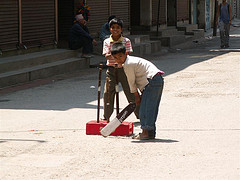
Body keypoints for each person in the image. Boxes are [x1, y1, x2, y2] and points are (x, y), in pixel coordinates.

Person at [111, 42, 164, 140]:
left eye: (120, 56)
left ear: (126, 54)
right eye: (116, 58)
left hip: (152, 81)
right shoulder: (130, 61)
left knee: (145, 109)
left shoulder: (128, 63)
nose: (118, 59)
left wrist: (136, 96)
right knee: (150, 108)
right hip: (154, 80)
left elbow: (131, 81)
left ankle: (146, 133)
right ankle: (150, 133)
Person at [102, 18, 139, 121]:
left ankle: (140, 114)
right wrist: (119, 55)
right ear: (110, 29)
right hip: (111, 70)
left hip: (124, 70)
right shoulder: (106, 41)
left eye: (118, 28)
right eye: (113, 27)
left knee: (131, 92)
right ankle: (106, 117)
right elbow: (107, 56)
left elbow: (127, 55)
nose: (115, 30)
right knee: (108, 93)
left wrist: (114, 55)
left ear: (121, 29)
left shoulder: (126, 41)